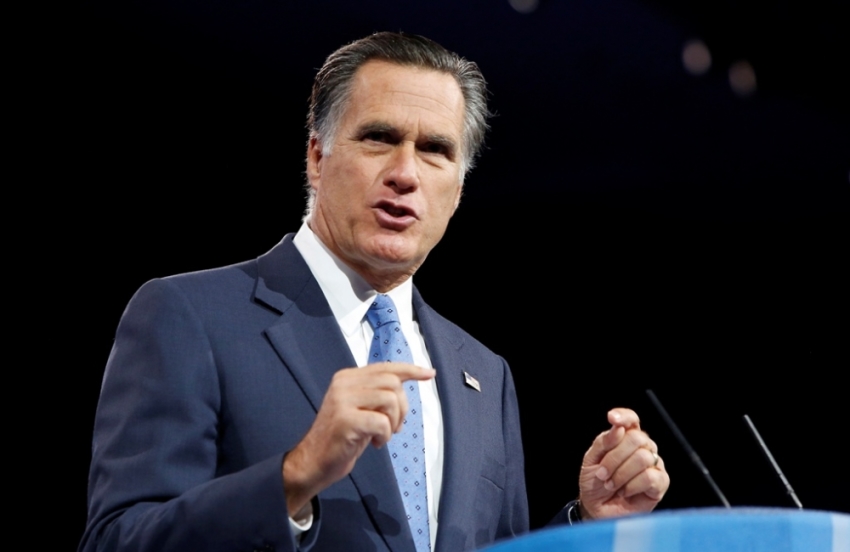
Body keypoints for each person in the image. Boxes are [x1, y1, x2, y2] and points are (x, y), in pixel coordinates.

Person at [80, 32, 669, 552]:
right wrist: (295, 477)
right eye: (379, 138)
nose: (406, 173)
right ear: (316, 156)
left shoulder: (485, 374)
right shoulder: (191, 315)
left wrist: (589, 521)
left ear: (458, 191)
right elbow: (118, 539)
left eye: (436, 150)